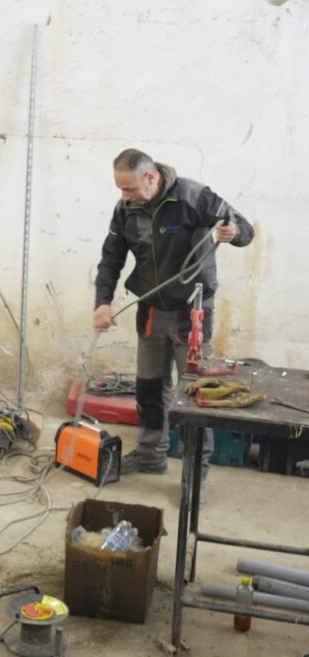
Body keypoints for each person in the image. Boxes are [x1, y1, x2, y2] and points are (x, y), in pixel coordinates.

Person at [93, 149, 254, 500]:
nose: (124, 196)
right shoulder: (125, 210)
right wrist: (102, 301)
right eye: (120, 189)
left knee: (196, 398)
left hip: (191, 312)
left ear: (151, 177)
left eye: (129, 188)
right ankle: (151, 454)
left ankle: (195, 476)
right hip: (151, 309)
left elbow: (244, 228)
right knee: (149, 389)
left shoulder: (193, 197)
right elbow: (111, 258)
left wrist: (234, 231)